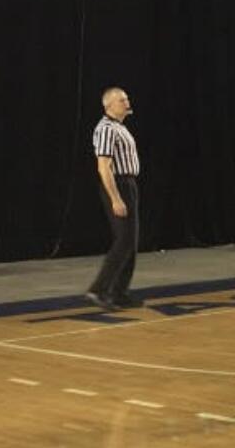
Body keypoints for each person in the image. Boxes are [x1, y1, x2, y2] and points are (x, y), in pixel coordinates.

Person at [86, 87, 143, 311]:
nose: (127, 102)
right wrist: (116, 198)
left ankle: (119, 292)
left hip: (128, 184)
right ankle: (98, 289)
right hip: (117, 185)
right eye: (122, 100)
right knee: (124, 240)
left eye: (127, 99)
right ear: (109, 105)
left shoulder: (119, 128)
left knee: (131, 241)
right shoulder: (106, 129)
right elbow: (104, 167)